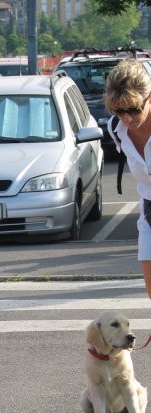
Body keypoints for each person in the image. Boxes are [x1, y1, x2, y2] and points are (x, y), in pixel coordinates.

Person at [105, 58, 151, 300]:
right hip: (149, 213)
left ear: (149, 97)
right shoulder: (116, 129)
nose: (127, 118)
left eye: (133, 109)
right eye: (118, 110)